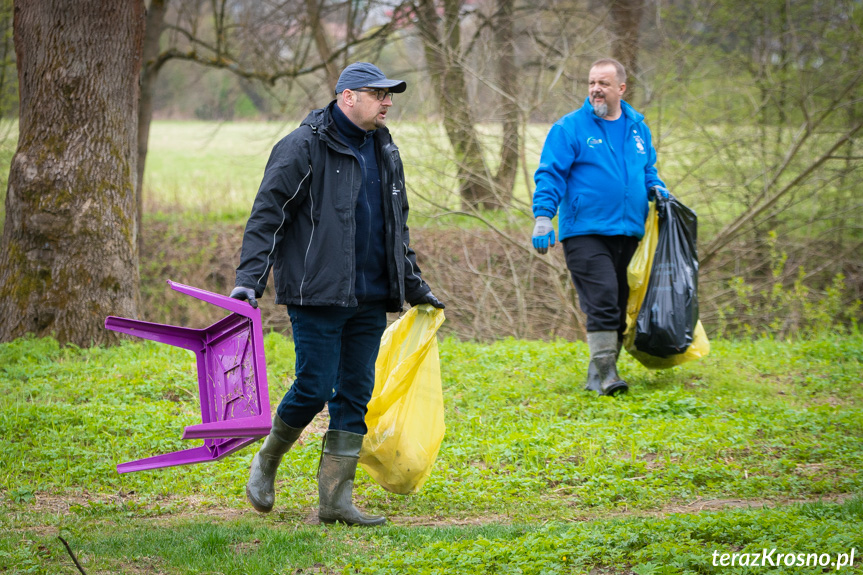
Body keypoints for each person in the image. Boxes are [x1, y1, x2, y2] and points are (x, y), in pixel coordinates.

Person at [230, 62, 445, 526]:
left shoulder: (386, 151)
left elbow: (396, 228)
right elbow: (268, 216)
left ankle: (335, 500)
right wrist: (250, 279)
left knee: (354, 393)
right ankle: (267, 461)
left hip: (370, 295)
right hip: (317, 293)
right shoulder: (302, 146)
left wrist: (413, 284)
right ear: (348, 96)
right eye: (378, 94)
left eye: (390, 95)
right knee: (314, 386)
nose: (388, 102)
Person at [531, 58, 668, 397]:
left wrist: (658, 188)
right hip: (585, 231)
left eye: (604, 83)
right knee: (604, 298)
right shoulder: (570, 128)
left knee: (621, 303)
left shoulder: (638, 128)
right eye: (592, 82)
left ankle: (601, 374)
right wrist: (543, 216)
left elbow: (647, 168)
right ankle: (607, 376)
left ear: (621, 88)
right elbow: (551, 173)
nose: (595, 89)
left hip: (629, 231)